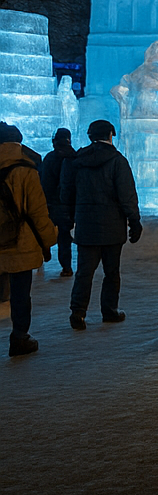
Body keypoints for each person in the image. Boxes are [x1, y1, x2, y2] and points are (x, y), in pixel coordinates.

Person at [59, 119, 141, 331]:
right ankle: (109, 310)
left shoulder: (77, 160)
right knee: (111, 272)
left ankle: (78, 312)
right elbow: (127, 195)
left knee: (84, 272)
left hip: (86, 226)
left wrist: (69, 219)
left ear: (90, 136)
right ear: (111, 134)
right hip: (112, 227)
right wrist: (134, 221)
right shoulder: (118, 161)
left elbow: (66, 193)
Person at [2, 133, 59, 356]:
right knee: (20, 293)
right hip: (20, 243)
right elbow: (37, 211)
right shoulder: (25, 169)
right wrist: (49, 239)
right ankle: (19, 337)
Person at [40, 128, 76, 277]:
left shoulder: (50, 158)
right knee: (64, 236)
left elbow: (43, 182)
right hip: (68, 205)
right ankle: (66, 266)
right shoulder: (74, 157)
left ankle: (44, 252)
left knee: (43, 230)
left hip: (50, 203)